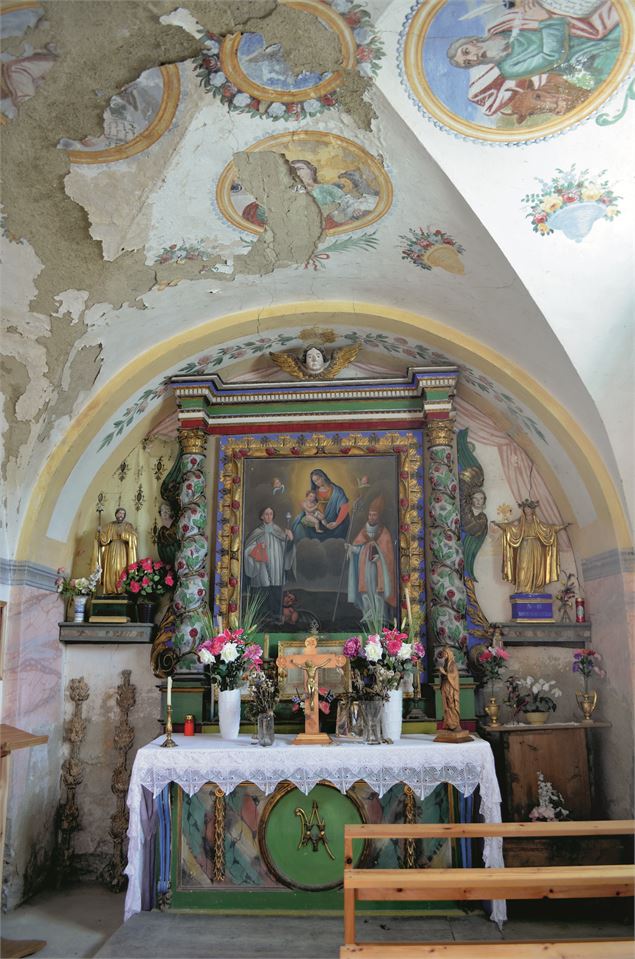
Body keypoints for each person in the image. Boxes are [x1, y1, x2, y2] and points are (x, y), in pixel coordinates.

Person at [448, 1, 621, 117]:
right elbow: (551, 57)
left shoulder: (501, 27)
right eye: (468, 62)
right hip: (583, 48)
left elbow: (526, 9)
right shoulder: (510, 67)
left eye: (466, 52)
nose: (473, 57)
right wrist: (547, 20)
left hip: (573, 16)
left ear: (472, 41)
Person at [491, 499, 569, 593]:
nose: (527, 511)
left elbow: (549, 528)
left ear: (532, 510)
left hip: (536, 547)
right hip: (524, 546)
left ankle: (537, 588)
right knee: (523, 567)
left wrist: (562, 526)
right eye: (525, 509)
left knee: (537, 568)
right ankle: (522, 588)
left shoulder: (538, 523)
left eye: (529, 509)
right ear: (523, 510)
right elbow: (509, 527)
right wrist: (498, 524)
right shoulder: (520, 523)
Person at [346, 498, 396, 627]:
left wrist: (380, 557)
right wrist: (351, 548)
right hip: (364, 566)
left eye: (374, 515)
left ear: (378, 516)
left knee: (377, 591)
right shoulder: (364, 531)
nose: (371, 517)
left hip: (378, 568)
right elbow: (358, 547)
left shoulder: (384, 532)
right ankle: (367, 614)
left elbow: (388, 554)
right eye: (370, 514)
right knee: (365, 590)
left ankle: (380, 615)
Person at [243, 506, 295, 619]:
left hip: (276, 567)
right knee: (262, 592)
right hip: (261, 566)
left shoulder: (279, 531)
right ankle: (261, 617)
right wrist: (257, 548)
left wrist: (290, 540)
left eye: (271, 514)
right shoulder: (257, 532)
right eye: (266, 514)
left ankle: (276, 615)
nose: (269, 516)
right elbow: (247, 549)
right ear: (261, 516)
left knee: (276, 592)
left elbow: (287, 549)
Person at [292, 468, 350, 541]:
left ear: (323, 476)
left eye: (318, 479)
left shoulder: (337, 491)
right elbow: (308, 504)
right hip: (318, 520)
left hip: (334, 521)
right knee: (299, 527)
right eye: (314, 481)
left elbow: (345, 507)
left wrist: (336, 523)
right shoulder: (314, 492)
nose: (317, 483)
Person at [93, 508, 138, 594]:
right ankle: (110, 590)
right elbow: (103, 539)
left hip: (122, 550)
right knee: (111, 569)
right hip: (112, 549)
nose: (121, 515)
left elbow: (134, 538)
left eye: (123, 513)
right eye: (119, 513)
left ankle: (122, 589)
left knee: (121, 569)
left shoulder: (128, 525)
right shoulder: (109, 525)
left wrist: (124, 534)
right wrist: (99, 532)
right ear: (116, 514)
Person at [435, 646, 462, 732]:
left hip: (451, 687)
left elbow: (453, 675)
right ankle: (448, 723)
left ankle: (454, 724)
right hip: (445, 686)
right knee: (446, 706)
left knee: (451, 704)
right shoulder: (446, 664)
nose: (444, 655)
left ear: (448, 654)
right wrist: (442, 674)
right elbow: (444, 675)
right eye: (443, 654)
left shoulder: (452, 664)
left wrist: (444, 672)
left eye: (445, 653)